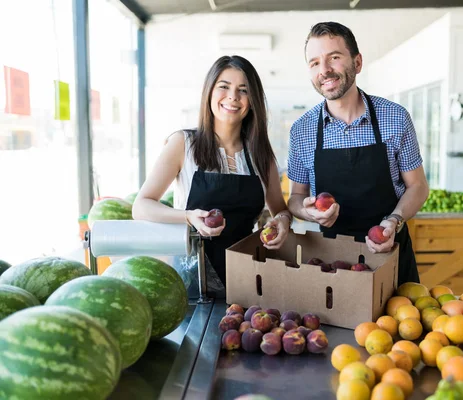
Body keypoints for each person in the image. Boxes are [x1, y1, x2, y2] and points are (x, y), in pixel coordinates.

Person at [133, 55, 292, 296]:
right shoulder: (183, 144)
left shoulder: (261, 155)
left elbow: (281, 210)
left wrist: (282, 221)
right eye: (224, 87)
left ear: (253, 101)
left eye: (243, 90)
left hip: (246, 278)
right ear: (209, 92)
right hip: (191, 281)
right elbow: (141, 206)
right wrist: (188, 217)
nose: (233, 97)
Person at [286, 22, 429, 285]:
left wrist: (394, 221)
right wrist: (309, 213)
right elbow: (296, 198)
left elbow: (418, 186)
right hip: (333, 261)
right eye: (314, 62)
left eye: (334, 58)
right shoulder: (302, 130)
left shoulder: (395, 118)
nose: (324, 70)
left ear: (358, 62)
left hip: (391, 254)